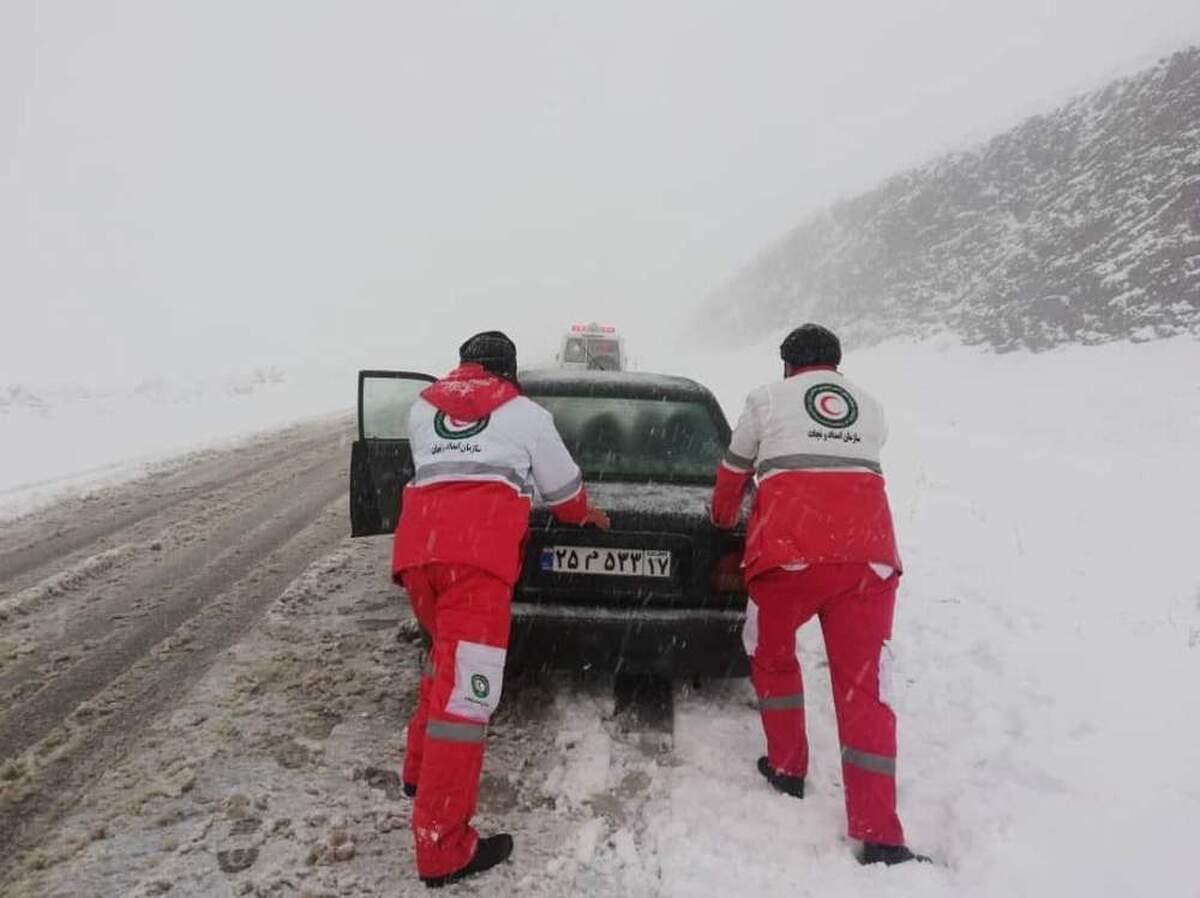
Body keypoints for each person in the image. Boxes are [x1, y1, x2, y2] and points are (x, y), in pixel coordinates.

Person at [392, 330, 610, 887]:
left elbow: (444, 470)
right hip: (477, 564)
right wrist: (584, 514)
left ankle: (418, 773)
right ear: (509, 371)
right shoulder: (528, 415)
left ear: (463, 365)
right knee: (465, 706)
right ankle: (443, 849)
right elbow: (563, 495)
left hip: (421, 554)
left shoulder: (422, 407)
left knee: (443, 665)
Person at [709, 323, 928, 866]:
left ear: (787, 365)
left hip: (789, 557)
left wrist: (720, 519)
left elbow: (733, 473)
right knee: (865, 692)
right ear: (836, 363)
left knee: (772, 655)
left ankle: (787, 768)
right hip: (868, 562)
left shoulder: (765, 400)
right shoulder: (871, 406)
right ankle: (879, 832)